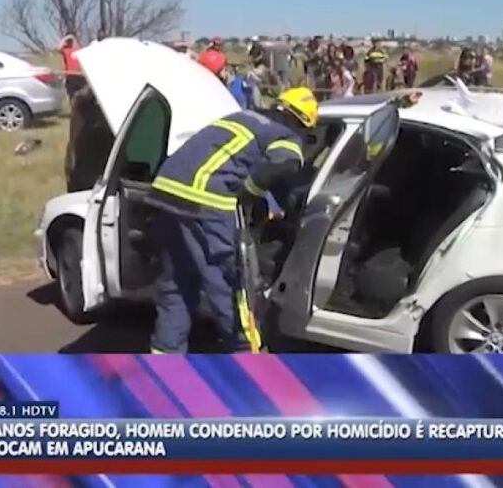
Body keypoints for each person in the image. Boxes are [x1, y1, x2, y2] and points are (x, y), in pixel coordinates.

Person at [146, 86, 319, 354]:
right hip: (204, 201)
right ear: (303, 125)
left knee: (177, 284)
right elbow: (284, 163)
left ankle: (164, 361)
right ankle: (246, 356)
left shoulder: (242, 117)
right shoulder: (284, 133)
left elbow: (236, 162)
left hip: (165, 192)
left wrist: (263, 197)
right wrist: (249, 195)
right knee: (230, 286)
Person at [64, 84, 114, 192]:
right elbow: (74, 134)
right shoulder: (83, 99)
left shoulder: (83, 98)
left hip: (99, 157)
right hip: (88, 159)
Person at [57, 34, 85, 100]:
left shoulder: (77, 48)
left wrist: (73, 37)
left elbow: (77, 46)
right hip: (70, 76)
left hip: (80, 75)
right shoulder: (65, 48)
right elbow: (58, 48)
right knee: (72, 96)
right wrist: (66, 37)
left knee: (84, 96)